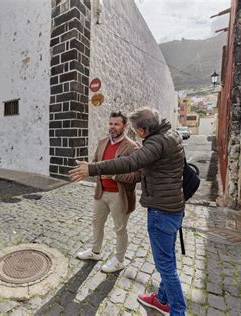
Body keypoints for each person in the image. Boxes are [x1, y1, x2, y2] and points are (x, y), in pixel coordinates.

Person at [69, 107, 186, 315]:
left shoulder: (154, 143)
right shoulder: (171, 135)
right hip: (170, 206)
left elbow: (131, 165)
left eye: (130, 127)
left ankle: (177, 311)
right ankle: (162, 299)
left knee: (166, 266)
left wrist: (94, 169)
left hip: (162, 210)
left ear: (141, 130)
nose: (113, 127)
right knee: (167, 260)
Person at [76, 111, 140, 273]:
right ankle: (95, 252)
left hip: (120, 195)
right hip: (101, 192)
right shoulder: (102, 142)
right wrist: (91, 168)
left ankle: (119, 260)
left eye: (116, 124)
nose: (112, 127)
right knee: (97, 223)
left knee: (119, 229)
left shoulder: (132, 147)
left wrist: (113, 175)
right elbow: (96, 163)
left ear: (124, 126)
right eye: (111, 123)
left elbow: (137, 175)